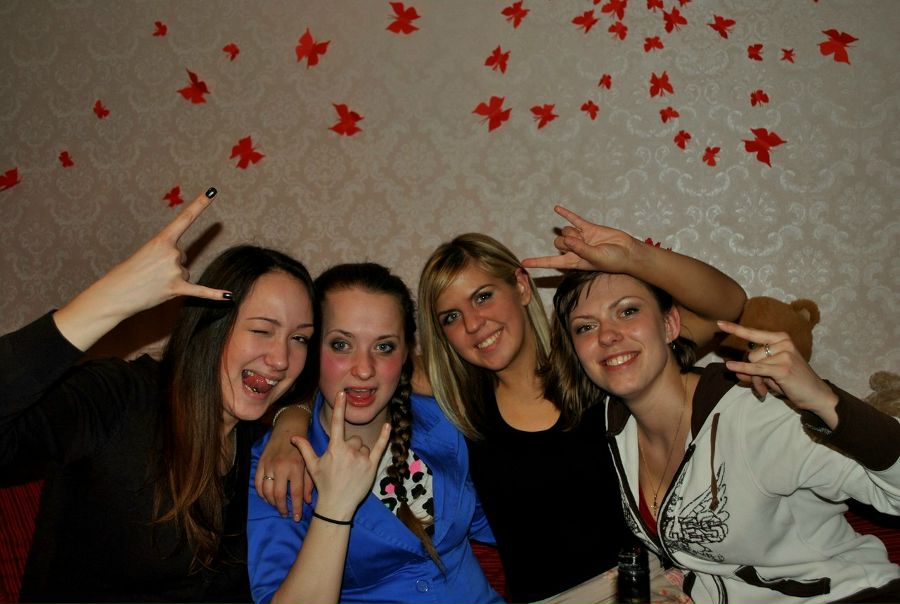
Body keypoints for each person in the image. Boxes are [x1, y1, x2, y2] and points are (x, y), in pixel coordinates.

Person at [257, 206, 746, 603]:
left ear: (521, 285)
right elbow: (355, 371)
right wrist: (288, 422)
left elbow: (726, 309)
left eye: (483, 296)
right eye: (451, 316)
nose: (474, 324)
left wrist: (635, 257)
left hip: (641, 587)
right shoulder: (455, 401)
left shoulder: (593, 363)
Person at [536, 223, 900, 603]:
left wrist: (824, 400)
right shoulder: (614, 427)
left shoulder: (754, 414)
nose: (607, 335)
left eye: (628, 311)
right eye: (586, 327)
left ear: (669, 324)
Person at [0, 189, 317, 603]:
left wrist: (291, 418)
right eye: (261, 330)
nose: (281, 359)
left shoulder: (248, 437)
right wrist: (110, 299)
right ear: (210, 326)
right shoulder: (120, 396)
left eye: (299, 338)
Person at [246, 262, 503, 604]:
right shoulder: (282, 463)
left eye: (384, 347)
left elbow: (499, 521)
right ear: (312, 349)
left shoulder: (443, 422)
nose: (364, 369)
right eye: (341, 345)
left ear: (406, 352)